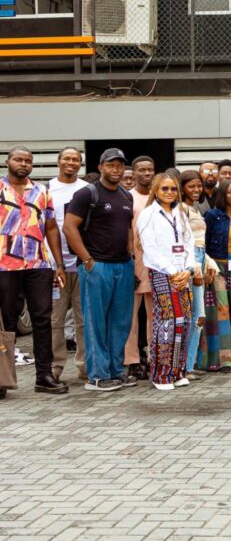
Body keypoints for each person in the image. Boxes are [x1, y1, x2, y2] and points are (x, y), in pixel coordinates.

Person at [64, 148, 136, 392]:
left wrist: (131, 255)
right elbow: (69, 228)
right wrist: (87, 260)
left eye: (119, 165)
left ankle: (116, 371)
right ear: (101, 166)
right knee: (96, 322)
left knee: (120, 322)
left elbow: (128, 229)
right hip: (97, 266)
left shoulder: (127, 196)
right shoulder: (87, 193)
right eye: (111, 165)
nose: (115, 170)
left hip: (123, 265)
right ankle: (97, 376)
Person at [0, 146, 68, 397]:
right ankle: (3, 379)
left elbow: (51, 228)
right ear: (8, 161)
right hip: (4, 265)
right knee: (6, 322)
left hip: (38, 264)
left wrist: (58, 264)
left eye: (28, 161)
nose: (24, 163)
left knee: (42, 319)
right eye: (18, 159)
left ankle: (44, 376)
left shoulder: (42, 191)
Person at [134, 173, 195, 391]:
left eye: (172, 189)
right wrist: (172, 272)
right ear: (156, 191)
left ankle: (178, 371)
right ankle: (161, 374)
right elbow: (150, 249)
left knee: (184, 322)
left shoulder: (180, 213)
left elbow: (189, 243)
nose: (169, 193)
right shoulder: (148, 214)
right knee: (167, 322)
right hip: (162, 273)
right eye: (164, 189)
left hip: (182, 274)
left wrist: (187, 270)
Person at [48, 147, 89, 384]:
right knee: (56, 319)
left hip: (82, 265)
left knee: (84, 319)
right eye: (67, 159)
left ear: (80, 164)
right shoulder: (47, 190)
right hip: (55, 267)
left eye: (75, 159)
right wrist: (53, 263)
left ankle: (84, 366)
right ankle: (55, 367)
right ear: (59, 162)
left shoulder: (86, 190)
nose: (71, 163)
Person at [201, 179, 231, 371]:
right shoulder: (212, 216)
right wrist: (207, 268)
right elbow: (203, 243)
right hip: (217, 267)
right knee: (220, 311)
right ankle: (221, 359)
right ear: (222, 195)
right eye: (230, 192)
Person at [178, 170, 217, 379]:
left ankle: (189, 364)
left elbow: (199, 241)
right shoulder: (180, 209)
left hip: (200, 258)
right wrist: (196, 268)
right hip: (190, 263)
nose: (196, 190)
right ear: (182, 187)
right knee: (194, 315)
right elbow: (185, 243)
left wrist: (209, 263)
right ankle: (185, 366)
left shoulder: (193, 208)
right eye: (191, 186)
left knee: (197, 316)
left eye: (198, 186)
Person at [125, 154, 156, 379]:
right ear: (133, 173)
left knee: (156, 316)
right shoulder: (127, 198)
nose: (146, 173)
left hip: (156, 264)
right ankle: (132, 360)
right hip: (134, 263)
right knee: (131, 317)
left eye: (150, 169)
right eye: (141, 170)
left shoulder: (161, 198)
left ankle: (155, 357)